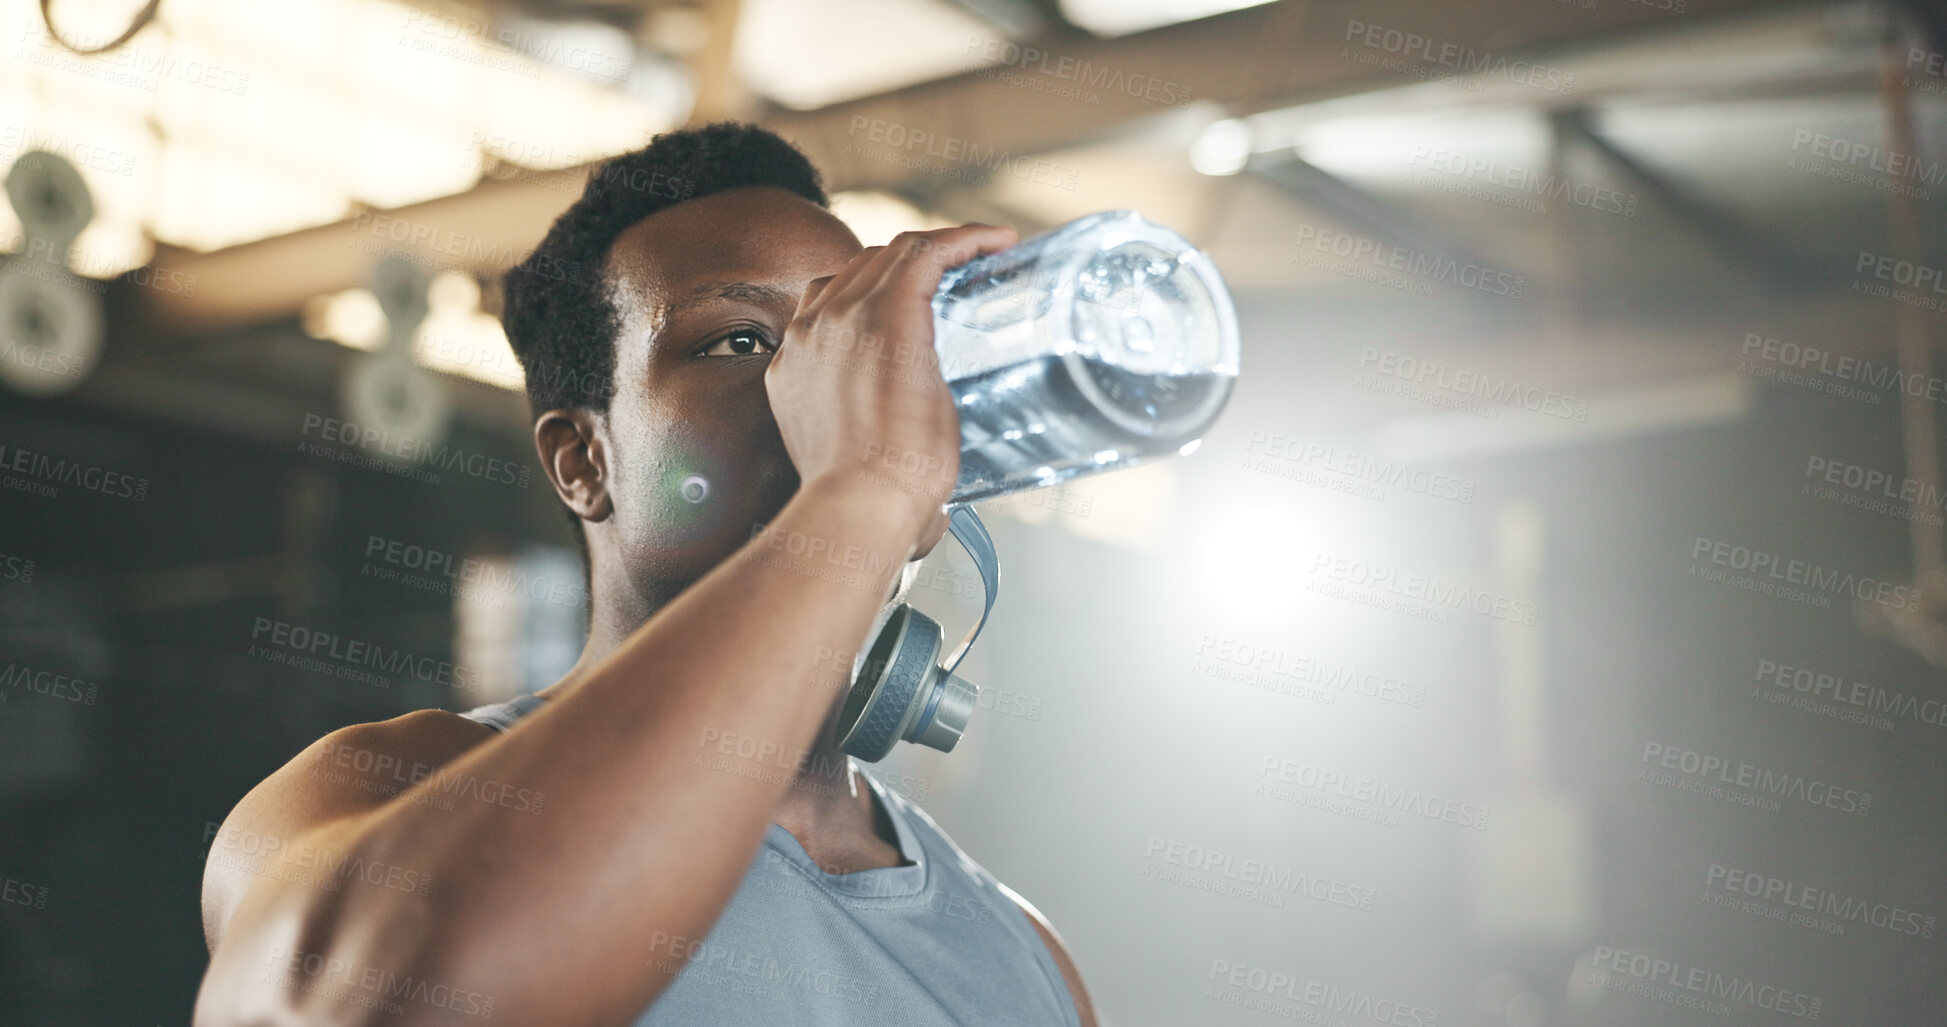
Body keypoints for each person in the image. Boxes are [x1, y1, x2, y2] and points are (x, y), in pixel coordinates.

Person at [193, 122, 1097, 1026]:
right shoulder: (383, 786)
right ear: (584, 460)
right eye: (740, 343)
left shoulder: (1024, 952)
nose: (822, 388)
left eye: (848, 338)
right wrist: (856, 492)